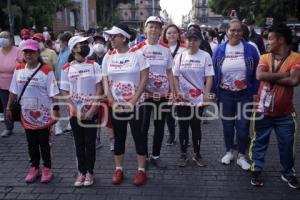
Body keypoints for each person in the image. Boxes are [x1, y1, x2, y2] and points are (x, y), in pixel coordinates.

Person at [249, 24, 300, 189]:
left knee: (287, 144)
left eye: (270, 38)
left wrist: (269, 76)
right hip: (262, 111)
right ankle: (256, 170)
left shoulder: (296, 58)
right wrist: (284, 74)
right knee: (259, 142)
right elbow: (259, 75)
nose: (267, 42)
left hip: (285, 114)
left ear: (281, 40)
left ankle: (288, 173)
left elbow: (294, 81)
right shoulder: (264, 57)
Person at [6, 39, 60, 183]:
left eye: (32, 52)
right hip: (26, 115)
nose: (29, 55)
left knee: (44, 143)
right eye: (26, 52)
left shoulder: (46, 70)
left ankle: (47, 168)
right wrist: (8, 107)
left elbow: (54, 93)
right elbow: (13, 90)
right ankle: (34, 167)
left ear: (38, 53)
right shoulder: (18, 69)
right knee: (31, 143)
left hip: (44, 116)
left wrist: (56, 110)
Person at [102, 24, 149, 185]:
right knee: (118, 138)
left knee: (139, 137)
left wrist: (134, 100)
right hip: (116, 105)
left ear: (123, 37)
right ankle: (119, 169)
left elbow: (144, 77)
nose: (111, 39)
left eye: (114, 36)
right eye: (110, 36)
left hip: (137, 105)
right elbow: (106, 80)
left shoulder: (137, 54)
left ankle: (141, 170)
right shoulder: (108, 56)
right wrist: (111, 100)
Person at [212, 19, 259, 170]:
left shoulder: (250, 48)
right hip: (225, 94)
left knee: (243, 125)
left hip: (245, 94)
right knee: (227, 125)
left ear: (242, 32)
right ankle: (228, 152)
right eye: (232, 30)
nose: (235, 33)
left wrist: (255, 91)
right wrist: (213, 92)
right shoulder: (220, 49)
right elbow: (213, 72)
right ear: (227, 32)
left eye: (238, 30)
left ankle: (241, 155)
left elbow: (258, 71)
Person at [60, 35, 102, 187]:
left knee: (90, 143)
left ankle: (90, 172)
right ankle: (81, 172)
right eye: (81, 44)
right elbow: (65, 91)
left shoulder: (94, 65)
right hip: (75, 113)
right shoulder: (66, 68)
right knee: (79, 143)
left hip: (92, 112)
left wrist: (93, 109)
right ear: (73, 49)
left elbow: (99, 88)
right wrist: (74, 109)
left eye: (86, 43)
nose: (84, 46)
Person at [133, 16, 174, 169]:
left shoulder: (165, 49)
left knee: (159, 126)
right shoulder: (137, 49)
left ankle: (155, 156)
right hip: (144, 96)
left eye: (157, 27)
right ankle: (142, 157)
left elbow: (169, 72)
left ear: (160, 31)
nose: (154, 29)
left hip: (162, 95)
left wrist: (173, 91)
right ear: (145, 29)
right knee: (142, 128)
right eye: (151, 26)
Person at [173, 29, 214, 167]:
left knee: (196, 127)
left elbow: (209, 78)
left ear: (200, 42)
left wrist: (206, 97)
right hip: (182, 99)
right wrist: (178, 91)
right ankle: (183, 154)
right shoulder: (180, 56)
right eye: (189, 39)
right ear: (185, 41)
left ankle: (197, 154)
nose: (192, 42)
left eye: (195, 40)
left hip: (198, 100)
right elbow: (175, 76)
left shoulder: (205, 56)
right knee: (183, 127)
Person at [162, 24, 186, 145]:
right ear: (165, 35)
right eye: (169, 33)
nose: (171, 35)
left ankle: (184, 136)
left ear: (178, 35)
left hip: (181, 85)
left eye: (174, 32)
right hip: (166, 85)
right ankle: (171, 135)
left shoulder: (184, 49)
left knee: (183, 112)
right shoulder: (161, 48)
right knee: (169, 113)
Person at [0, 31, 23, 137]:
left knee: (21, 105)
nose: (3, 39)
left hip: (17, 82)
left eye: (5, 37)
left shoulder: (17, 51)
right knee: (6, 106)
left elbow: (23, 64)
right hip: (2, 84)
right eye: (1, 37)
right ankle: (9, 127)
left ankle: (27, 125)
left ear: (10, 39)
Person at [54, 32, 72, 135]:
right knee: (57, 104)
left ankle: (70, 123)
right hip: (59, 82)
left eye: (59, 41)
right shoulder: (61, 51)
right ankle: (58, 125)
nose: (58, 43)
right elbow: (58, 67)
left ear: (65, 42)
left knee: (68, 103)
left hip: (67, 83)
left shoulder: (70, 53)